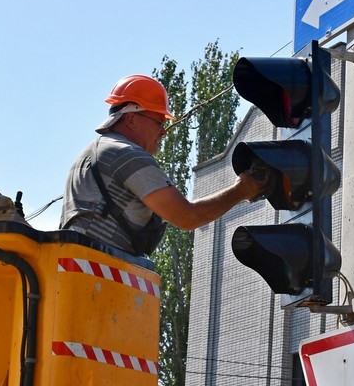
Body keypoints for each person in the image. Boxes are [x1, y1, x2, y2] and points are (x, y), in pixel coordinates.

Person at [61, 74, 267, 256]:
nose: (163, 132)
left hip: (78, 270)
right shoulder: (126, 154)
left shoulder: (93, 153)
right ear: (132, 119)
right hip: (100, 272)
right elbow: (188, 216)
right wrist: (243, 190)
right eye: (159, 122)